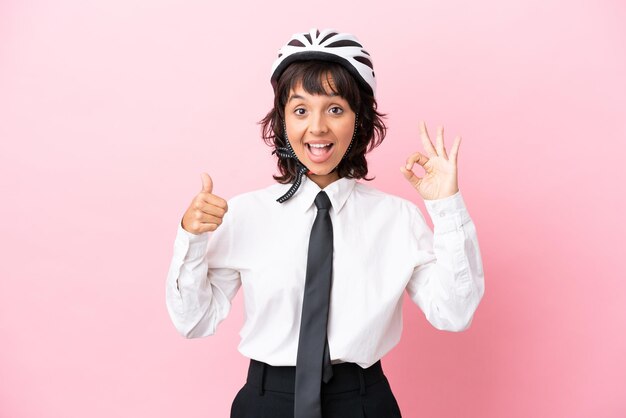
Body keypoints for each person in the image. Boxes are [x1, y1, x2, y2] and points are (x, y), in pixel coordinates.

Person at [165, 28, 485, 418]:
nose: (317, 128)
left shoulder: (397, 219)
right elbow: (193, 321)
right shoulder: (243, 214)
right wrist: (192, 238)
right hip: (267, 402)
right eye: (300, 110)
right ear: (282, 121)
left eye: (335, 109)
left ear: (359, 120)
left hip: (363, 402)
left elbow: (454, 312)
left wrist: (446, 207)